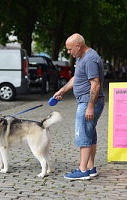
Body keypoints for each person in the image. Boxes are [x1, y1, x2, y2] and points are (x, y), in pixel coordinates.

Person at [53, 33, 105, 180]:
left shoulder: (90, 59)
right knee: (90, 134)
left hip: (87, 103)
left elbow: (95, 84)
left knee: (83, 136)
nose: (69, 52)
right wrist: (62, 90)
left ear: (78, 46)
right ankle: (90, 167)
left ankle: (82, 171)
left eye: (70, 49)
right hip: (86, 102)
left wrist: (89, 107)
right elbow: (77, 78)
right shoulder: (83, 57)